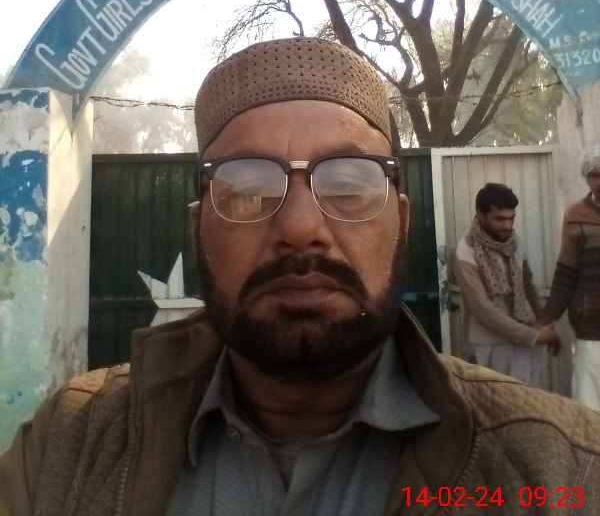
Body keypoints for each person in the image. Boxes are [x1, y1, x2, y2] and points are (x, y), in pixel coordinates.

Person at [1, 37, 600, 516]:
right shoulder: (67, 449)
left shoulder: (561, 470)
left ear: (401, 221)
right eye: (247, 187)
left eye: (349, 183)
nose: (299, 227)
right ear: (197, 229)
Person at [454, 182, 560, 386]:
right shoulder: (466, 250)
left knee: (528, 401)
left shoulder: (514, 241)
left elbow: (527, 284)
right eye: (500, 219)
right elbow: (482, 310)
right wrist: (533, 336)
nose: (507, 226)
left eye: (511, 218)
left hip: (523, 344)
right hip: (489, 348)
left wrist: (542, 321)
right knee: (494, 403)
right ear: (480, 215)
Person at [540, 146, 600, 409]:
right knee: (590, 407)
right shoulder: (575, 215)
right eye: (595, 175)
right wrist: (546, 319)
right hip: (591, 327)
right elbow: (566, 272)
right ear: (587, 178)